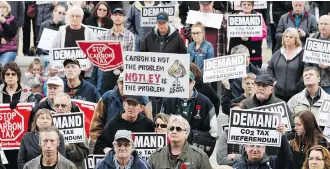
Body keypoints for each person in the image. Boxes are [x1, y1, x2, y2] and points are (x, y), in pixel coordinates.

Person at [140, 11, 187, 115]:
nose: (161, 25)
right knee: (155, 105)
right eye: (159, 23)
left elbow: (184, 55)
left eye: (163, 23)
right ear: (156, 23)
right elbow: (142, 54)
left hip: (171, 77)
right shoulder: (149, 36)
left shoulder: (177, 37)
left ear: (168, 22)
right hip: (155, 78)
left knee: (170, 104)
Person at [89, 73, 152, 148]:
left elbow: (149, 125)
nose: (124, 86)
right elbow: (95, 125)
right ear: (117, 83)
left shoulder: (142, 98)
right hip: (112, 146)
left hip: (137, 146)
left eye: (127, 83)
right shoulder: (107, 97)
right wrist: (103, 146)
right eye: (122, 83)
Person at [148, 115, 212, 168]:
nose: (174, 131)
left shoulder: (199, 156)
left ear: (186, 133)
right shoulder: (155, 156)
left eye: (178, 129)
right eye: (171, 128)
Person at [96, 7, 135, 95]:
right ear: (112, 17)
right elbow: (100, 56)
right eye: (115, 15)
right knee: (104, 97)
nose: (118, 17)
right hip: (107, 72)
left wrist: (119, 66)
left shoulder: (130, 36)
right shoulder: (103, 35)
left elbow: (130, 57)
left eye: (120, 15)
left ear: (124, 18)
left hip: (122, 71)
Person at [51, 6, 96, 79]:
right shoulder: (62, 31)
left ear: (82, 18)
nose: (74, 18)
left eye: (77, 16)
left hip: (84, 73)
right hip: (65, 72)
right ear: (69, 17)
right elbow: (53, 49)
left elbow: (94, 51)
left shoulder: (89, 32)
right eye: (72, 16)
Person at [53, 93, 89, 169]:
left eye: (63, 105)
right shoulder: (49, 123)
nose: (59, 108)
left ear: (70, 107)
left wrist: (69, 147)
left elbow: (84, 153)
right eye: (57, 105)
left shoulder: (77, 123)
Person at [268, 28, 305, 102]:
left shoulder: (302, 54)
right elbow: (270, 68)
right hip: (278, 93)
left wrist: (298, 85)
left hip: (296, 94)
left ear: (296, 39)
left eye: (290, 37)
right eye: (286, 36)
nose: (288, 39)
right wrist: (274, 81)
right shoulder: (278, 53)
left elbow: (306, 71)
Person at [228, 1, 267, 68]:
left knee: (254, 74)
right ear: (240, 6)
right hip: (238, 51)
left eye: (249, 4)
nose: (246, 6)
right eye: (244, 4)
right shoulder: (235, 16)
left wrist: (250, 37)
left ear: (252, 6)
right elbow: (231, 33)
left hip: (254, 51)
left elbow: (264, 33)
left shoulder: (258, 16)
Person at [306, 15, 330, 94]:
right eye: (321, 24)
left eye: (326, 24)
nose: (323, 26)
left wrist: (328, 66)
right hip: (314, 82)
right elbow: (307, 61)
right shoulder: (312, 37)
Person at [0, 1, 18, 66]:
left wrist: (4, 22)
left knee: (2, 65)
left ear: (7, 9)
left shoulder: (12, 19)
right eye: (0, 7)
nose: (1, 9)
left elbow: (11, 34)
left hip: (9, 50)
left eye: (3, 7)